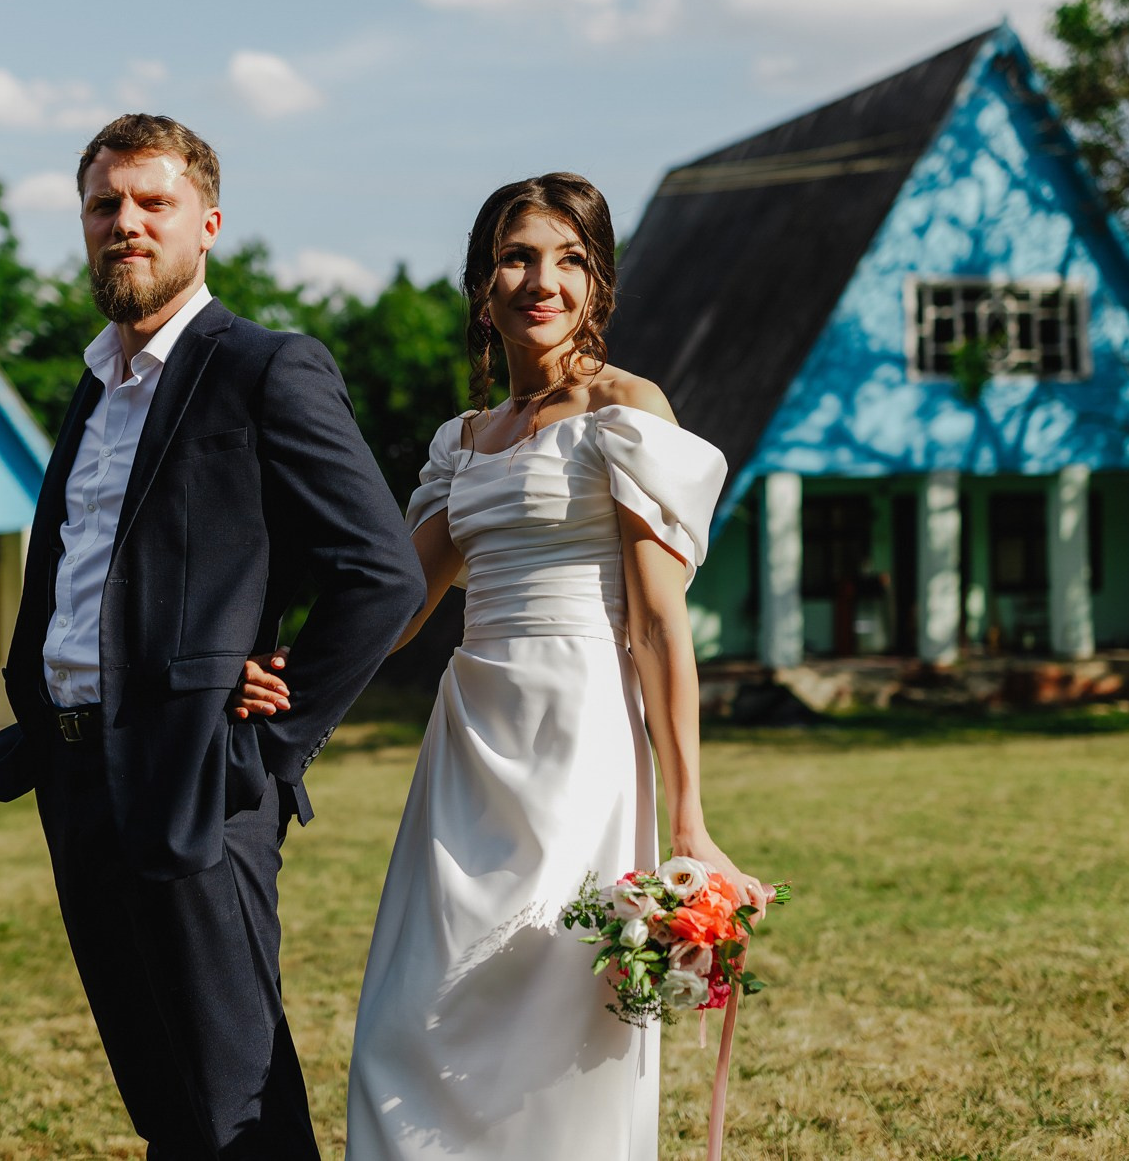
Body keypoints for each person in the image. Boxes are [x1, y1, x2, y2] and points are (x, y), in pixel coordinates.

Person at [241, 172, 770, 1157]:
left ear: (597, 284)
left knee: (558, 1005)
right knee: (411, 1016)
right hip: (468, 741)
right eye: (518, 257)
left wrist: (688, 817)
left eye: (569, 259)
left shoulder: (624, 409)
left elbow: (658, 625)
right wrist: (285, 657)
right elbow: (398, 606)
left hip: (584, 738)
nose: (542, 279)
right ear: (481, 289)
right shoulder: (461, 442)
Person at [0, 114, 423, 1160]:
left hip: (199, 781)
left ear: (205, 223)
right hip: (78, 780)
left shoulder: (263, 367)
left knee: (234, 1101)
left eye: (150, 202)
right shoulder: (92, 383)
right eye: (102, 204)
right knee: (159, 1095)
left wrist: (270, 733)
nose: (123, 222)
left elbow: (380, 570)